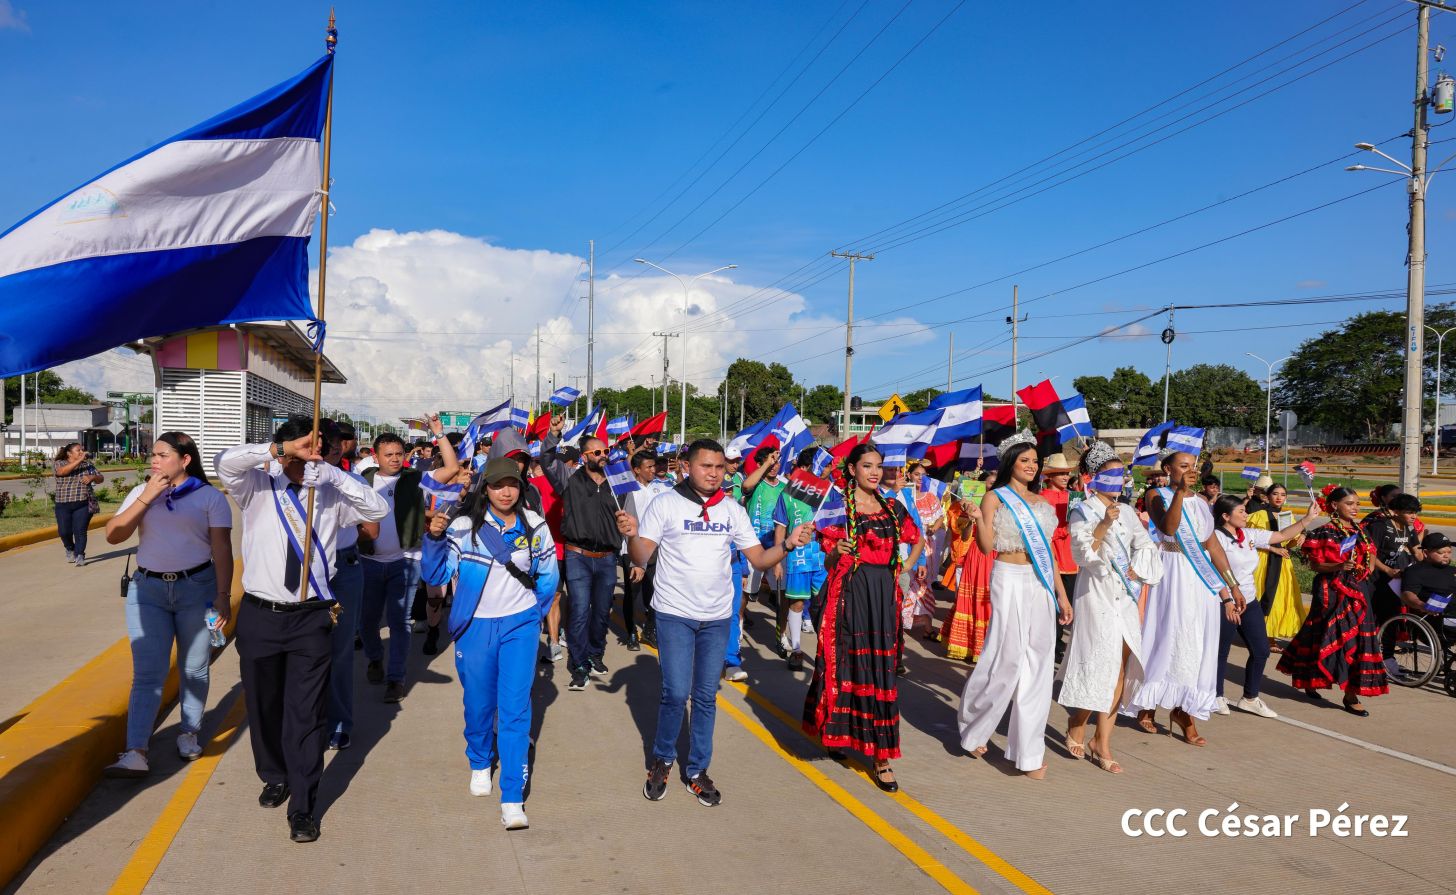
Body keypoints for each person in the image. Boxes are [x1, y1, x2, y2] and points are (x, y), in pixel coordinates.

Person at [213, 416, 389, 843]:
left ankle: (304, 806)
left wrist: (333, 475)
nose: (313, 454)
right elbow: (224, 463)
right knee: (264, 705)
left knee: (306, 714)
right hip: (260, 613)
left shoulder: (330, 490)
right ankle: (274, 775)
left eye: (319, 448)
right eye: (305, 447)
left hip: (311, 617)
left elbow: (377, 510)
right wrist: (279, 451)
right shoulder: (256, 485)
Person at [619, 439, 812, 807]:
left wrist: (788, 545)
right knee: (676, 693)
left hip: (717, 618)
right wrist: (631, 536)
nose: (713, 473)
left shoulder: (732, 509)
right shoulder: (666, 503)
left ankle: (697, 770)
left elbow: (759, 559)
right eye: (706, 466)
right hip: (675, 613)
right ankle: (662, 759)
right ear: (687, 467)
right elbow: (643, 554)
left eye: (719, 467)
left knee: (706, 697)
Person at [422, 457, 559, 830]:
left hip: (520, 627)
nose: (506, 492)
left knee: (515, 710)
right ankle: (480, 760)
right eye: (497, 485)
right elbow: (435, 574)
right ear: (485, 489)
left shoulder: (535, 525)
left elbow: (548, 578)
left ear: (520, 487)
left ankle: (512, 797)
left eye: (512, 484)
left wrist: (531, 617)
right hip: (475, 628)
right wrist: (433, 539)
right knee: (478, 703)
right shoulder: (463, 527)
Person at [101, 432, 233, 777]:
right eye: (153, 454)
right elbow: (114, 534)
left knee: (194, 668)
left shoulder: (209, 497)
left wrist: (223, 596)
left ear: (185, 460)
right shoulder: (140, 492)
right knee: (148, 673)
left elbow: (221, 549)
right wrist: (147, 496)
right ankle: (136, 750)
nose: (154, 460)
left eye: (162, 455)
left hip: (197, 590)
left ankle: (189, 731)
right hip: (148, 591)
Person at [803, 443, 923, 790]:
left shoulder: (892, 507)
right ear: (852, 469)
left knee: (881, 671)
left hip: (883, 594)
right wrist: (836, 552)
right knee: (849, 666)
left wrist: (904, 566)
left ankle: (881, 757)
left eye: (878, 466)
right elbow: (828, 561)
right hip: (851, 592)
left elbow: (918, 538)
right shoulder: (838, 508)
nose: (875, 472)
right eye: (867, 465)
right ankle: (839, 734)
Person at [957, 434, 1072, 780]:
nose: (1032, 466)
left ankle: (1029, 753)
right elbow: (986, 545)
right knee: (1006, 658)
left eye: (1035, 461)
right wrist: (977, 518)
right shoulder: (995, 497)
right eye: (1025, 460)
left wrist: (1062, 595)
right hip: (1008, 577)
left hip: (1039, 581)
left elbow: (1048, 552)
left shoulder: (1042, 501)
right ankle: (975, 727)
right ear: (1011, 463)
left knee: (1039, 664)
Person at [1123, 450, 1246, 746]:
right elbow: (1168, 528)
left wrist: (1232, 586)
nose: (1191, 471)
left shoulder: (1202, 501)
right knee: (1167, 636)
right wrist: (1179, 491)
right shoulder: (1157, 495)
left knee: (1196, 641)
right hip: (1172, 572)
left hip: (1200, 578)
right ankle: (1149, 702)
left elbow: (1212, 546)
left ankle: (1184, 711)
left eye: (1193, 466)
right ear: (1168, 469)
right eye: (1183, 466)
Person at [1058, 441, 1161, 775]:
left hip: (1125, 597)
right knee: (1099, 664)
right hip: (1097, 595)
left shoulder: (1128, 512)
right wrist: (1102, 524)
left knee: (1120, 668)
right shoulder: (1082, 510)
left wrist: (1138, 568)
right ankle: (1078, 722)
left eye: (1122, 474)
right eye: (1112, 474)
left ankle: (1101, 742)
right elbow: (1081, 555)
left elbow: (1145, 545)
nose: (1120, 480)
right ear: (1095, 477)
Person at [358, 415, 459, 703]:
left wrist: (439, 433)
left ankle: (396, 679)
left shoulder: (416, 479)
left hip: (406, 561)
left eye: (399, 454)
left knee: (400, 621)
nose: (394, 459)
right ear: (375, 456)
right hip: (370, 561)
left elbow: (452, 468)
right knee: (367, 620)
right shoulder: (362, 481)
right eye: (388, 454)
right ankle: (375, 658)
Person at [1276, 486, 1388, 715]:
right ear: (1335, 506)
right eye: (1350, 503)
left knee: (1359, 639)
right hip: (1332, 590)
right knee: (1323, 635)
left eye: (1357, 504)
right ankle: (1310, 679)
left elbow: (1371, 553)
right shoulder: (1325, 532)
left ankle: (1351, 694)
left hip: (1359, 590)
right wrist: (1339, 566)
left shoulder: (1361, 530)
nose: (1355, 508)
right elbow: (1315, 565)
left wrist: (1366, 570)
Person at [1210, 493, 1318, 718]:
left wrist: (1307, 519)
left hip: (1249, 600)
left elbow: (1281, 535)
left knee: (1261, 650)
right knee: (1220, 652)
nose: (1246, 514)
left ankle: (1250, 698)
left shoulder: (1248, 534)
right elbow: (1213, 571)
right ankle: (1216, 695)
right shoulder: (1215, 538)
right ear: (1225, 516)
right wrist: (1227, 600)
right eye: (1241, 511)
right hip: (1224, 601)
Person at [540, 428, 622, 692]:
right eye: (597, 452)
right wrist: (553, 435)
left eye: (606, 450)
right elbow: (547, 460)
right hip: (578, 556)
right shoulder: (570, 479)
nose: (603, 455)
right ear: (584, 457)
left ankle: (595, 653)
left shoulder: (616, 482)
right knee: (578, 611)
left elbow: (630, 514)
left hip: (607, 558)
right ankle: (579, 665)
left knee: (601, 612)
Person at [321, 421, 380, 751]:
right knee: (304, 652)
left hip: (343, 568)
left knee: (340, 651)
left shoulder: (353, 482)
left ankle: (339, 722)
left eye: (331, 445)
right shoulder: (284, 482)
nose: (325, 451)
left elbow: (373, 525)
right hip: (300, 571)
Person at [772, 448, 829, 671]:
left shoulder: (831, 492)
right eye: (824, 464)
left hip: (824, 557)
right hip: (798, 557)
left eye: (828, 465)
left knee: (825, 605)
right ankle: (796, 650)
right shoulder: (787, 493)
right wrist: (778, 561)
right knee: (796, 603)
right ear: (809, 467)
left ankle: (825, 651)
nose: (827, 469)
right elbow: (780, 528)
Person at [940, 471, 995, 662]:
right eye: (989, 483)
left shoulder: (1004, 505)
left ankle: (989, 645)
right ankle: (968, 645)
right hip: (977, 556)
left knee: (992, 600)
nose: (992, 487)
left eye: (995, 483)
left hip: (997, 556)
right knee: (973, 599)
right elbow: (965, 537)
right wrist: (971, 519)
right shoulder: (971, 506)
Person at [1364, 492, 1423, 666]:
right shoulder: (1379, 526)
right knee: (1370, 619)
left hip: (1394, 582)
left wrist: (1429, 565)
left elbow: (1417, 551)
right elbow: (1370, 553)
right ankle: (1367, 655)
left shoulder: (1408, 528)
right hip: (1374, 580)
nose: (1414, 516)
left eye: (1415, 512)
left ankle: (1388, 658)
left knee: (1391, 618)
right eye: (1409, 512)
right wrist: (1387, 569)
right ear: (1395, 511)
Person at [620, 451, 671, 651]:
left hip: (655, 549)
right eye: (648, 467)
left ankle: (650, 630)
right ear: (636, 470)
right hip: (632, 549)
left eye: (653, 466)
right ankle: (631, 632)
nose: (653, 470)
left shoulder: (662, 488)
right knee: (633, 593)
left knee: (656, 591)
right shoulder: (628, 491)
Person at [1248, 483, 1305, 643]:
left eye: (1283, 494)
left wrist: (1300, 537)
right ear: (1267, 496)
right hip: (1264, 560)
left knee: (1280, 598)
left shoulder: (1287, 517)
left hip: (1282, 561)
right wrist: (1273, 549)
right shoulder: (1258, 515)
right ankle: (1260, 634)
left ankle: (1270, 634)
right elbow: (1249, 539)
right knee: (1262, 593)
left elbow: (1289, 542)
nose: (1279, 497)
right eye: (1275, 494)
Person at [1041, 453, 1079, 663]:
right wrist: (1064, 530)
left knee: (1068, 603)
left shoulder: (1073, 497)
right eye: (1061, 473)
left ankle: (1058, 641)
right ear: (1050, 476)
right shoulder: (1042, 498)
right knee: (1055, 605)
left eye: (1067, 473)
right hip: (1053, 557)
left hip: (1072, 559)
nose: (1065, 477)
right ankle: (1052, 646)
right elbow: (1043, 531)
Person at [53, 442, 104, 566]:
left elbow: (101, 478)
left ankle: (80, 554)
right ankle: (70, 548)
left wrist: (92, 477)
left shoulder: (87, 465)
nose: (82, 452)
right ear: (69, 453)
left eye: (82, 450)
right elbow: (62, 472)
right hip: (63, 504)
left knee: (80, 531)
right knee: (64, 532)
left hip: (83, 503)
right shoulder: (60, 463)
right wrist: (80, 460)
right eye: (78, 450)